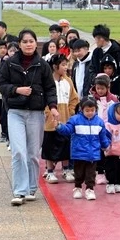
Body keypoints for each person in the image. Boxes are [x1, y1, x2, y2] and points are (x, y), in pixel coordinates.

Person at [0, 29, 60, 206]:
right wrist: (16, 90)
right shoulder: (9, 64)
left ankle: (32, 187)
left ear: (36, 43)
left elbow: (50, 88)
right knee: (18, 151)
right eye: (24, 41)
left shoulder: (42, 65)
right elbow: (2, 85)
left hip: (36, 113)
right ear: (19, 44)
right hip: (15, 112)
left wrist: (53, 107)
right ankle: (19, 191)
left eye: (31, 41)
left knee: (32, 153)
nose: (28, 44)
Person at [56, 99, 111, 201]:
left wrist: (106, 146)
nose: (90, 113)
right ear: (82, 110)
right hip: (79, 153)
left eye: (92, 110)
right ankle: (77, 187)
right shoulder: (75, 120)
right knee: (79, 172)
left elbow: (103, 137)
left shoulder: (99, 122)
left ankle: (90, 189)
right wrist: (59, 126)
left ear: (95, 109)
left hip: (93, 154)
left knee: (91, 174)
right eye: (87, 110)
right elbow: (67, 130)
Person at [42, 54, 79, 184]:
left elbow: (74, 98)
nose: (65, 67)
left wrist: (71, 111)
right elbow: (43, 99)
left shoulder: (68, 81)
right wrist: (47, 112)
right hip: (50, 121)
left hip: (65, 119)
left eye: (66, 64)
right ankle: (50, 171)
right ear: (54, 66)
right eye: (63, 65)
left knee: (66, 145)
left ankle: (67, 169)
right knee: (49, 145)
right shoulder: (47, 81)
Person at [91, 76, 119, 186]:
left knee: (109, 151)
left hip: (110, 129)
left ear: (108, 88)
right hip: (96, 129)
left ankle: (110, 172)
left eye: (102, 88)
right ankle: (99, 172)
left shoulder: (113, 99)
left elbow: (117, 113)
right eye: (98, 88)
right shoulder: (92, 99)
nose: (100, 91)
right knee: (98, 152)